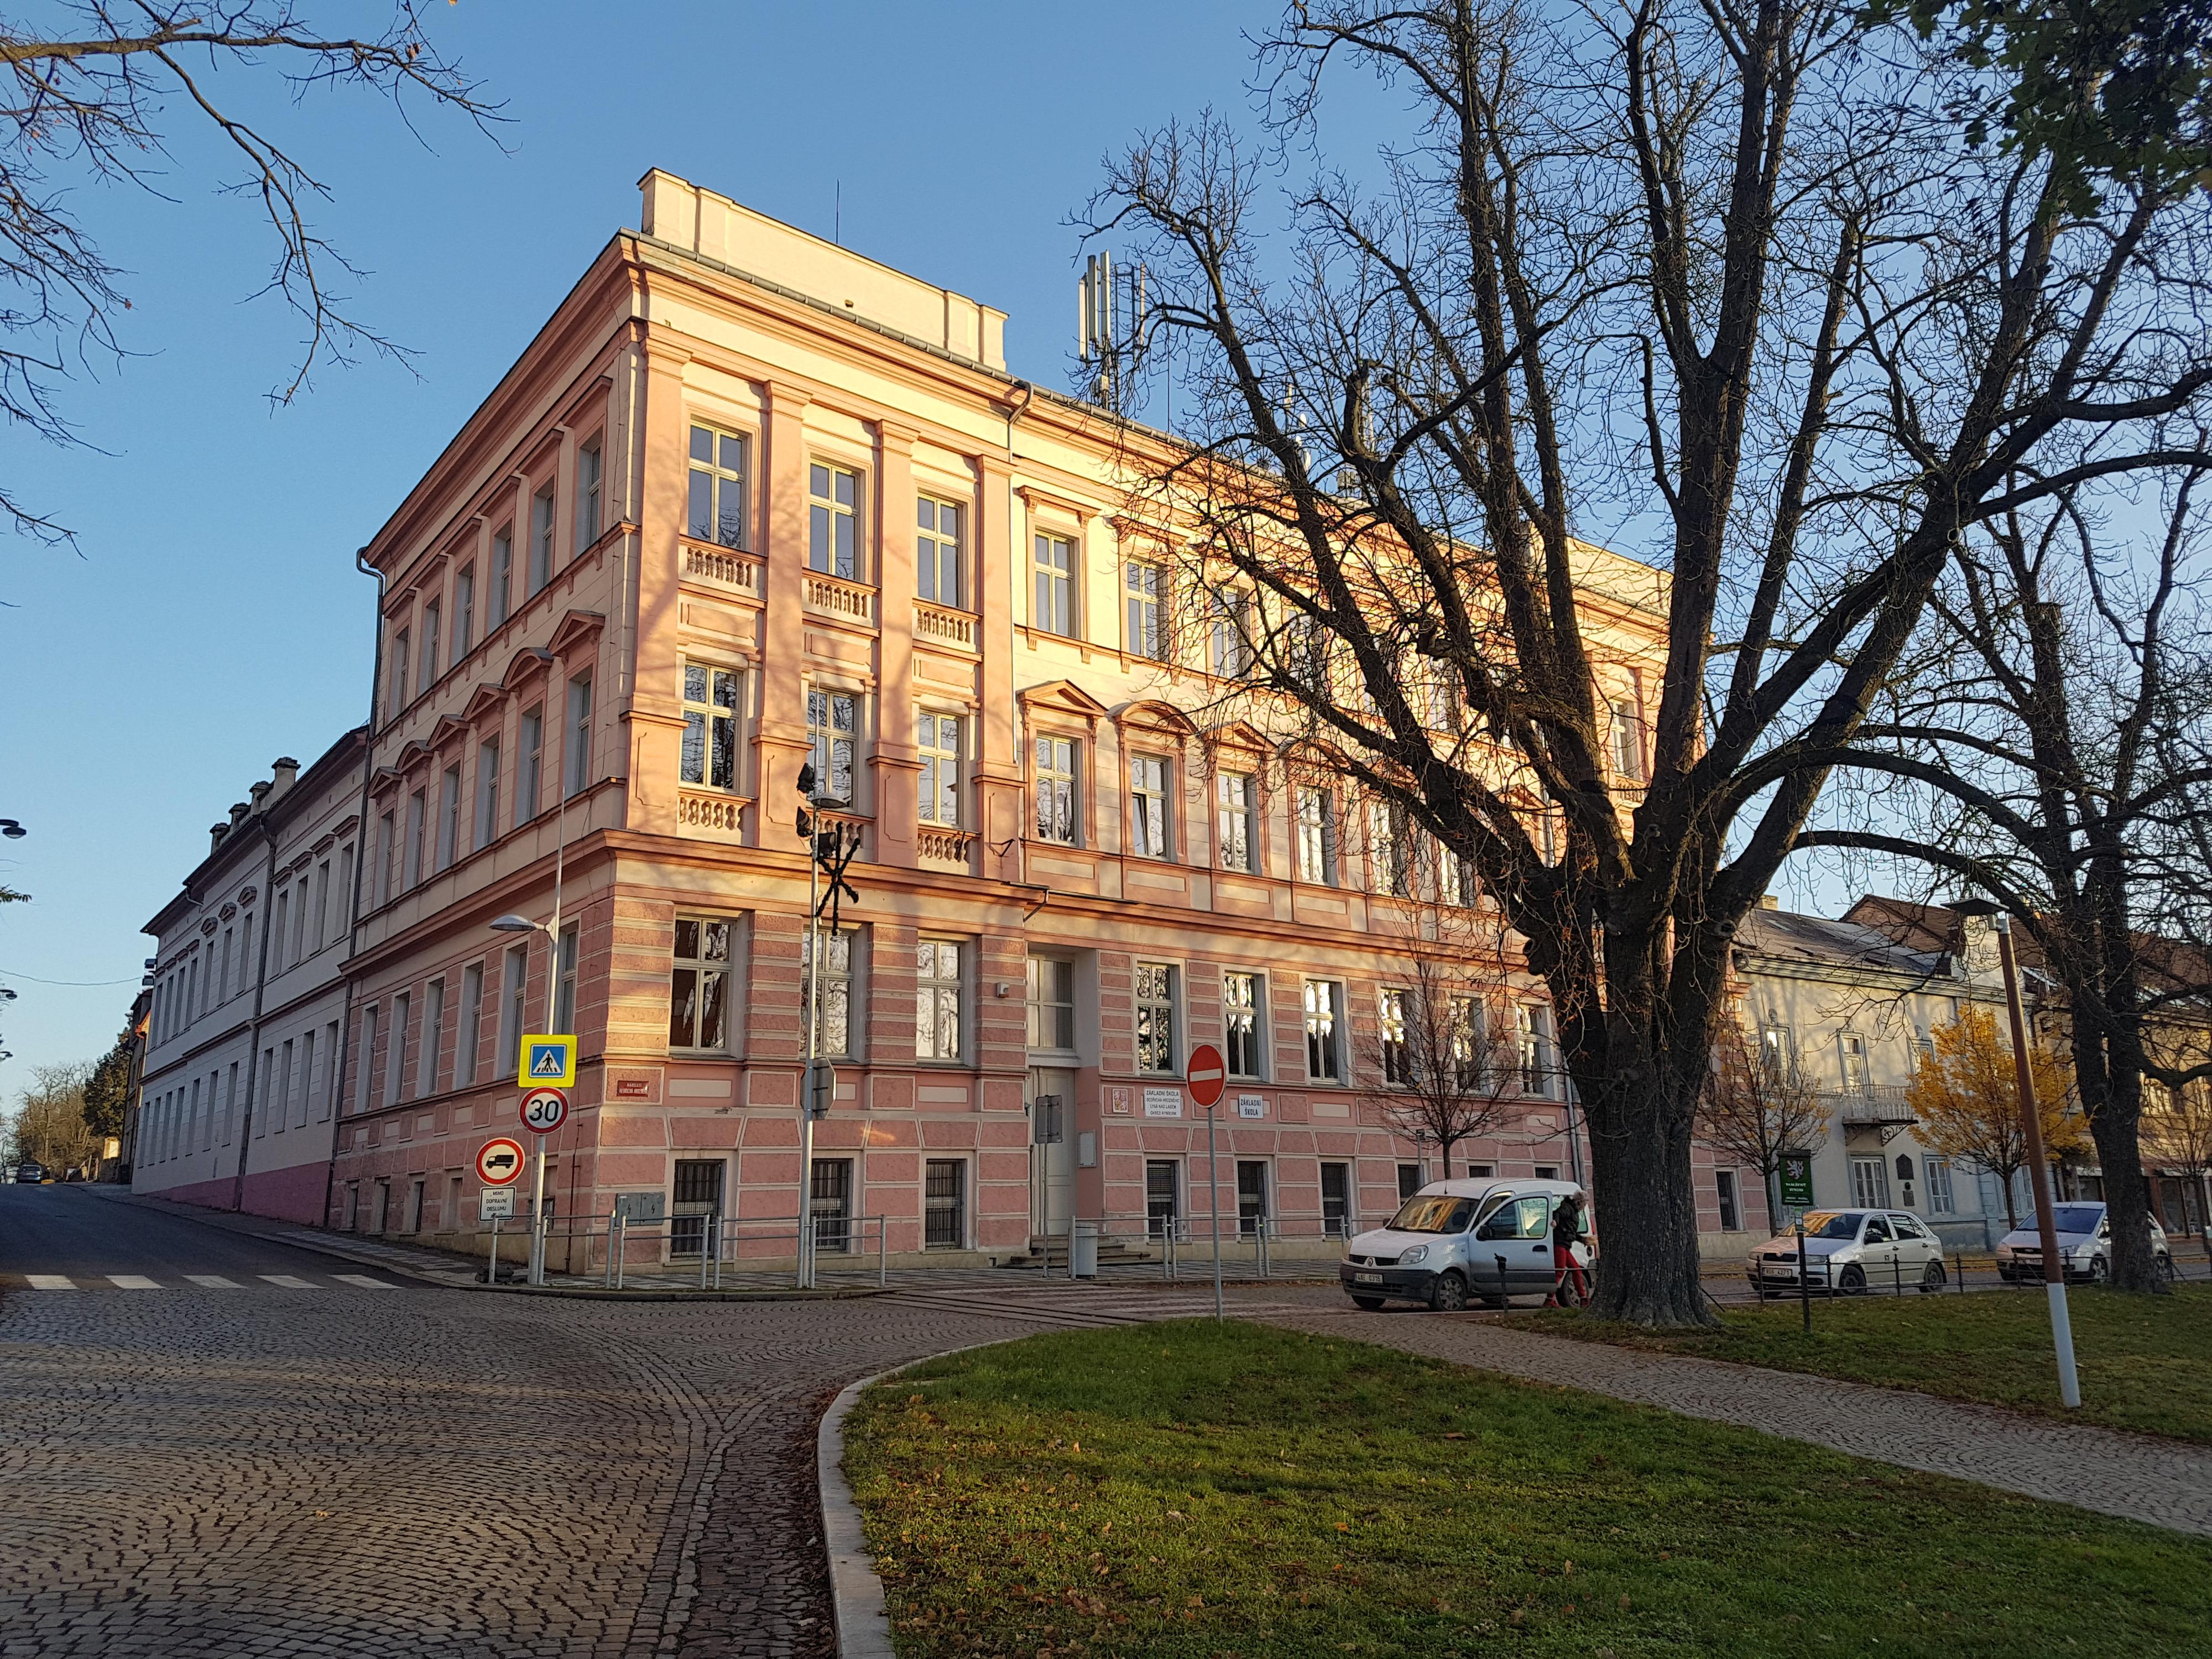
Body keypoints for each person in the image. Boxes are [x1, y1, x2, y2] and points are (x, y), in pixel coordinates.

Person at [1551, 1192, 1592, 1306]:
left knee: (1576, 1270)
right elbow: (1557, 1213)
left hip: (1565, 1245)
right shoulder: (1568, 1209)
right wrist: (1555, 1222)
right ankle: (1549, 1299)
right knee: (1560, 1271)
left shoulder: (1573, 1211)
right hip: (1560, 1244)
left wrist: (1582, 1239)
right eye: (1584, 1204)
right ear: (1579, 1202)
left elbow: (1571, 1232)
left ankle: (1583, 1298)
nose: (1584, 1207)